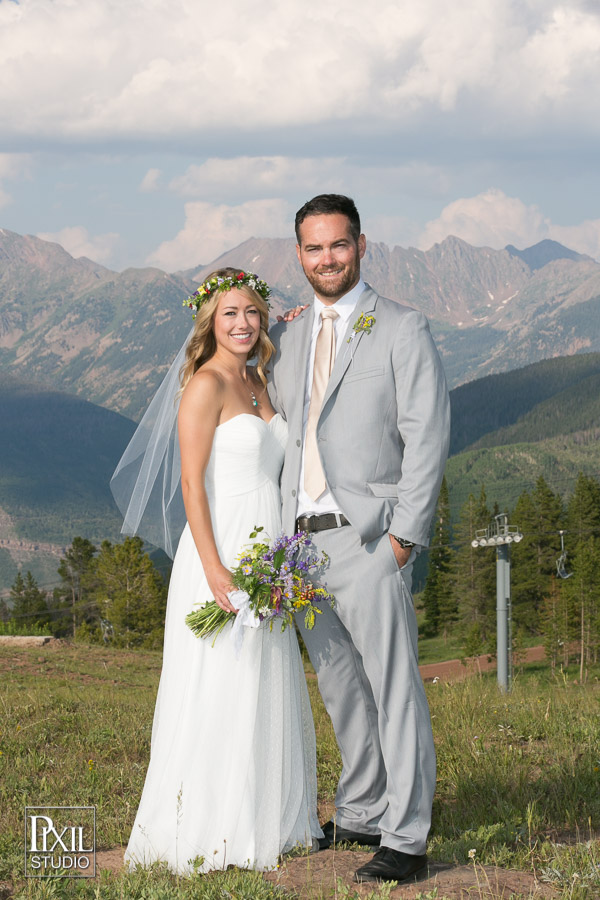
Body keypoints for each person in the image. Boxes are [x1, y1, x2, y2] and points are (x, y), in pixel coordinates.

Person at [112, 268, 322, 875]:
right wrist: (214, 568)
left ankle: (262, 819)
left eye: (252, 312)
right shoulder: (205, 384)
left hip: (267, 547)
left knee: (261, 682)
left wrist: (297, 326)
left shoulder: (258, 378)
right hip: (222, 547)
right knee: (219, 684)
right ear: (209, 321)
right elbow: (190, 483)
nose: (242, 323)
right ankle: (207, 826)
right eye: (230, 313)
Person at [268, 195, 451, 884]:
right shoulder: (286, 337)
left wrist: (405, 537)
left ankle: (406, 837)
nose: (327, 259)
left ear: (362, 245)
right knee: (342, 688)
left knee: (394, 689)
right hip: (301, 547)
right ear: (299, 254)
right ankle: (362, 810)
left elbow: (426, 435)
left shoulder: (402, 327)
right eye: (314, 248)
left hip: (370, 540)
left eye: (338, 245)